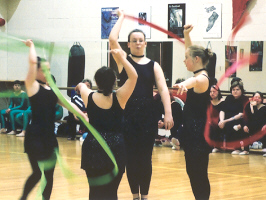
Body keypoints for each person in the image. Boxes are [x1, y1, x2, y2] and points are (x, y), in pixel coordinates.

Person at [109, 10, 174, 200]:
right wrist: (122, 17)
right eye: (134, 40)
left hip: (147, 116)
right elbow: (113, 39)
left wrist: (168, 114)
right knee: (130, 157)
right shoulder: (123, 61)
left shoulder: (154, 65)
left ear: (145, 43)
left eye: (141, 40)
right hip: (126, 115)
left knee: (145, 158)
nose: (138, 43)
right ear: (128, 44)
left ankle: (144, 196)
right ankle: (134, 196)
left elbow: (163, 89)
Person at [19, 39, 88, 200]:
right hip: (35, 136)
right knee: (37, 173)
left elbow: (67, 103)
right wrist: (32, 46)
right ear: (36, 71)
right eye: (44, 70)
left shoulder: (52, 89)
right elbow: (32, 62)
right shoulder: (32, 85)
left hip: (49, 137)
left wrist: (83, 115)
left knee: (49, 175)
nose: (47, 73)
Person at [75, 48, 138, 200]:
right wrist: (122, 58)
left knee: (95, 192)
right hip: (115, 148)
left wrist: (82, 86)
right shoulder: (120, 97)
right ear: (115, 81)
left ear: (96, 82)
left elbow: (81, 85)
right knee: (111, 193)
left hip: (93, 147)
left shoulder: (88, 95)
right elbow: (134, 76)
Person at [173, 24, 213, 200]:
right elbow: (191, 51)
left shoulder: (202, 78)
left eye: (186, 58)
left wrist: (183, 84)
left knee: (198, 173)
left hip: (199, 134)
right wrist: (186, 34)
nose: (184, 61)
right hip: (193, 132)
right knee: (193, 172)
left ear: (196, 59)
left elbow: (193, 81)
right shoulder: (200, 72)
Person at [218, 79, 250, 155]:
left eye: (237, 89)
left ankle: (240, 148)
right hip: (228, 120)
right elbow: (222, 110)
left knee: (237, 125)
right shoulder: (229, 98)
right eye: (233, 89)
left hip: (240, 120)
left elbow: (241, 115)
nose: (235, 91)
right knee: (218, 123)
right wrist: (221, 120)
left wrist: (225, 121)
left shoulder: (245, 99)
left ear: (241, 90)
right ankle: (217, 146)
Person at [209, 85, 225, 153]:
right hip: (210, 120)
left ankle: (217, 146)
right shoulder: (208, 102)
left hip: (219, 119)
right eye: (211, 92)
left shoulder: (222, 101)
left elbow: (222, 111)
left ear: (218, 92)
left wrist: (221, 120)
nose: (212, 93)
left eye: (214, 91)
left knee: (217, 123)